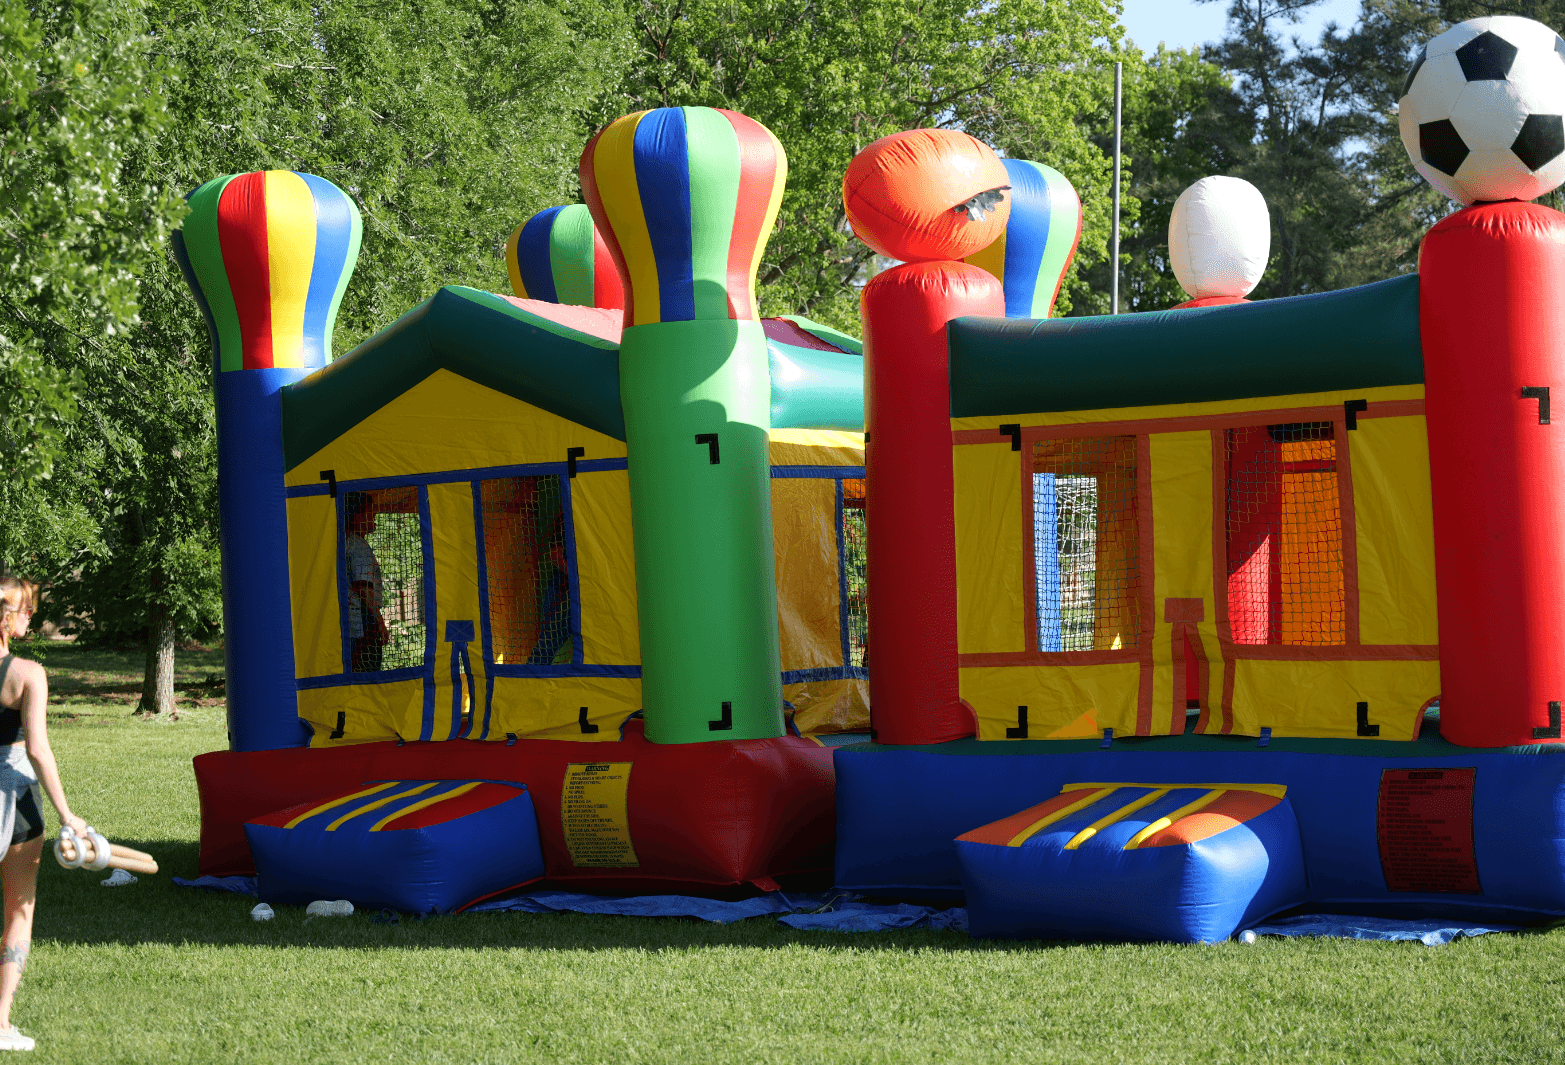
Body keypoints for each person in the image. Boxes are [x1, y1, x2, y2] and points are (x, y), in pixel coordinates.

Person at [0, 576, 86, 1052]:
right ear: (8, 618)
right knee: (19, 908)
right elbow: (37, 749)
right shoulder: (27, 673)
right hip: (15, 801)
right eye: (28, 610)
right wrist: (67, 814)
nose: (31, 616)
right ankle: (1, 1023)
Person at [344, 494, 389, 672]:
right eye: (370, 511)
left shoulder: (344, 541)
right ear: (357, 516)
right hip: (362, 627)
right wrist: (380, 624)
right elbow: (363, 588)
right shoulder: (358, 545)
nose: (375, 514)